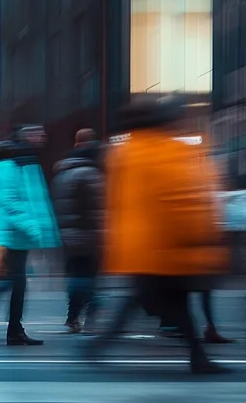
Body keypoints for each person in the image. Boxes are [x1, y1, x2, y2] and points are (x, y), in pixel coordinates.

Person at [94, 95, 229, 374]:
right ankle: (98, 346)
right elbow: (181, 199)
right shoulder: (166, 151)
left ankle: (197, 356)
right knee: (161, 301)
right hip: (165, 245)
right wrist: (202, 234)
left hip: (138, 245)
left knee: (159, 301)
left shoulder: (124, 152)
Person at [0, 126, 60, 345]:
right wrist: (33, 227)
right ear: (23, 138)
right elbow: (9, 203)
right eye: (37, 133)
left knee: (15, 283)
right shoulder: (8, 167)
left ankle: (14, 330)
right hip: (8, 234)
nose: (42, 136)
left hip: (16, 234)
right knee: (13, 282)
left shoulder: (24, 162)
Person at [51, 128, 105, 333]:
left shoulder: (63, 171)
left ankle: (73, 318)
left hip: (68, 234)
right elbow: (97, 208)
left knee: (76, 277)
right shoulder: (89, 173)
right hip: (87, 235)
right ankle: (91, 310)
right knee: (87, 278)